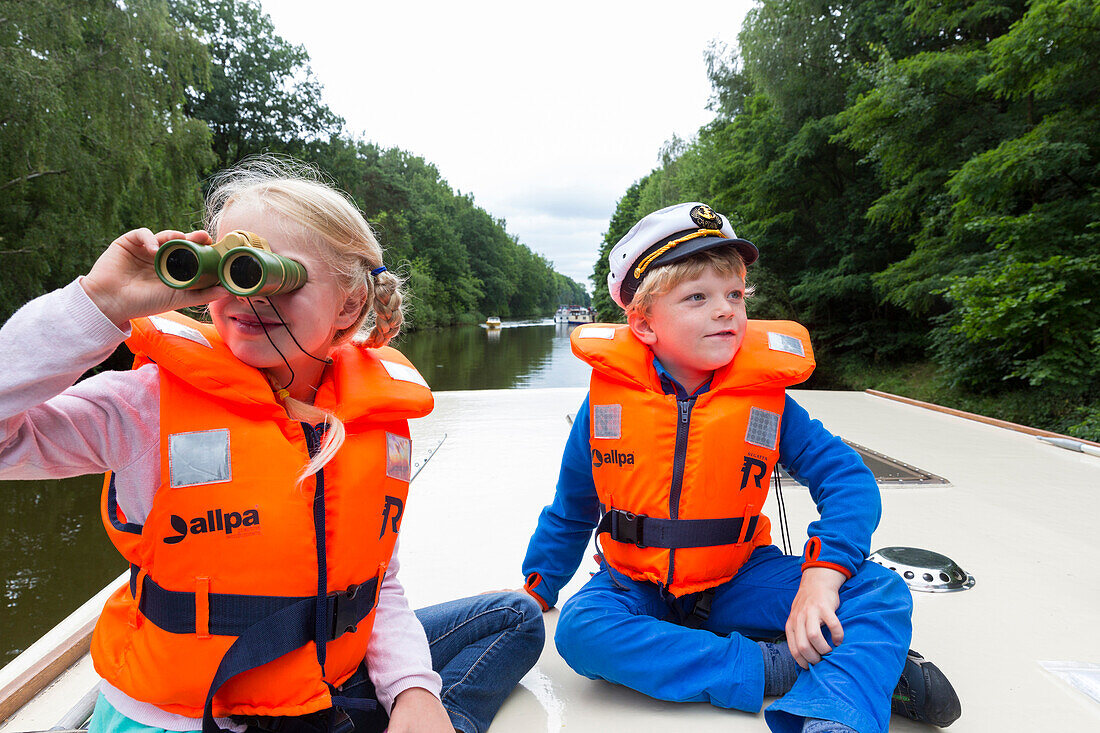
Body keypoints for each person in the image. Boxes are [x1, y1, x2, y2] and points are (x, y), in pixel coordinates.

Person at [0, 157, 543, 733]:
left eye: (276, 274)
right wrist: (97, 303)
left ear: (350, 305)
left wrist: (414, 691)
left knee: (514, 616)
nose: (247, 295)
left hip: (317, 691)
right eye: (231, 268)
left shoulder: (374, 418)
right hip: (187, 716)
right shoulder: (146, 404)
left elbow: (371, 580)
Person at [519, 202, 961, 733]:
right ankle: (784, 666)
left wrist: (822, 576)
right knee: (582, 630)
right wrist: (538, 587)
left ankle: (832, 718)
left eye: (735, 295)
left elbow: (847, 479)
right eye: (697, 298)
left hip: (739, 577)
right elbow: (572, 509)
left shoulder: (768, 404)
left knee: (879, 589)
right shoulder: (605, 408)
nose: (726, 310)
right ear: (643, 323)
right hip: (635, 584)